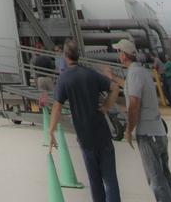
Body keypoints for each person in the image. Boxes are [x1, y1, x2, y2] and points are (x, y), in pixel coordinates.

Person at [49, 38, 122, 202]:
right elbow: (115, 87)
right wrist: (105, 107)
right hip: (102, 134)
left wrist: (51, 130)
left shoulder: (64, 79)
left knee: (95, 181)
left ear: (65, 56)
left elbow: (57, 107)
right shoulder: (91, 74)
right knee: (110, 180)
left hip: (85, 137)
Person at [115, 37, 171, 202]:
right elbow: (130, 86)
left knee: (156, 179)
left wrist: (129, 130)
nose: (117, 55)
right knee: (165, 175)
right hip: (157, 131)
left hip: (148, 133)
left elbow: (134, 103)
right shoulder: (140, 72)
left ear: (124, 55)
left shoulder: (135, 73)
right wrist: (113, 78)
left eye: (118, 51)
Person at [32, 37, 55, 106]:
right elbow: (52, 69)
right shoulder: (48, 58)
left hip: (40, 79)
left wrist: (36, 81)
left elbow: (35, 71)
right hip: (48, 78)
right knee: (51, 95)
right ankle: (52, 108)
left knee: (42, 97)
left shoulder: (36, 59)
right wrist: (52, 78)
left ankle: (45, 111)